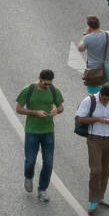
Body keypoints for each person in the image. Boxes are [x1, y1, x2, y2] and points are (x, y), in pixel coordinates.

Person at [76, 82, 109, 216]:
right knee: (96, 169)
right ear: (101, 94)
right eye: (104, 99)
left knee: (105, 169)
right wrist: (97, 119)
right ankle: (93, 200)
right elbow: (80, 118)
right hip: (94, 139)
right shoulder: (90, 100)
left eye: (108, 99)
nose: (105, 101)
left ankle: (101, 196)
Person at [16, 68, 65, 202]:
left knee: (48, 163)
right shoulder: (29, 90)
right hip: (32, 131)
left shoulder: (53, 90)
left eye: (49, 84)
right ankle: (28, 175)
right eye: (45, 84)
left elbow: (61, 107)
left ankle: (42, 190)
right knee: (30, 160)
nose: (47, 86)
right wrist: (35, 112)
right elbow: (19, 109)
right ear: (39, 78)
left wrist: (56, 110)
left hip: (48, 131)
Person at [77, 15, 109, 96]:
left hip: (92, 71)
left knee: (93, 96)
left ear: (89, 26)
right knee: (108, 94)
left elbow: (80, 48)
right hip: (106, 69)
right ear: (99, 23)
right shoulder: (108, 35)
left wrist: (85, 34)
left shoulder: (87, 38)